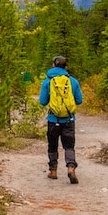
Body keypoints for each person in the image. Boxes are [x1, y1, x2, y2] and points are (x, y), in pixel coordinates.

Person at [38, 55, 83, 183]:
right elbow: (79, 101)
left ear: (53, 65)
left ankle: (53, 171)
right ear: (65, 67)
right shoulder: (73, 81)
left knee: (52, 145)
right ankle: (71, 168)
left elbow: (42, 101)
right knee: (69, 146)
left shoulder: (48, 81)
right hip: (69, 119)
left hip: (53, 119)